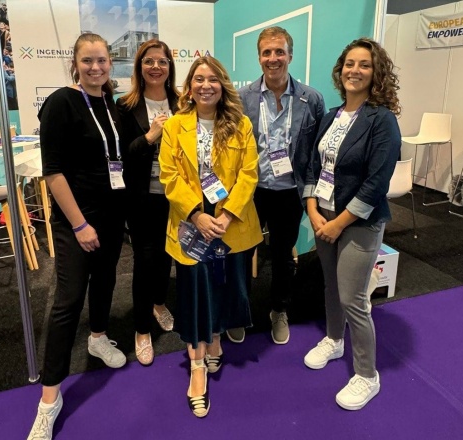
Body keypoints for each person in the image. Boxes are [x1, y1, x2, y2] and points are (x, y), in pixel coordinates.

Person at [27, 33, 127, 440]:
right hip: (76, 222)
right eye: (87, 61)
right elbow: (53, 172)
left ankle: (99, 338)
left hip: (112, 216)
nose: (95, 67)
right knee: (67, 302)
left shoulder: (111, 104)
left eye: (101, 60)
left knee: (105, 282)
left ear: (110, 63)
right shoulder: (61, 103)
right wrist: (80, 225)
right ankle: (49, 399)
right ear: (75, 63)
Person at [159, 56, 262, 417]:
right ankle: (197, 366)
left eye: (213, 79)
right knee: (194, 295)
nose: (206, 86)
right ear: (189, 87)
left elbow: (249, 173)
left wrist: (227, 214)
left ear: (223, 86)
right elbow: (169, 176)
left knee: (223, 287)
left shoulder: (240, 124)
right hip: (191, 226)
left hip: (231, 224)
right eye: (199, 79)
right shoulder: (174, 126)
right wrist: (198, 215)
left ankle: (216, 339)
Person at [302, 37, 401, 411]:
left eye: (364, 65)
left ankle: (366, 375)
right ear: (340, 70)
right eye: (349, 63)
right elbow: (314, 166)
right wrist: (312, 210)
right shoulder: (331, 116)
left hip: (358, 223)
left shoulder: (382, 120)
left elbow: (376, 183)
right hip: (324, 216)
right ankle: (334, 340)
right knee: (331, 286)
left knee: (354, 299)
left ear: (376, 73)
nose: (354, 70)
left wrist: (338, 223)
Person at [232, 26, 325, 345]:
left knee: (284, 255)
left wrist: (312, 194)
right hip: (251, 192)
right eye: (267, 52)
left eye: (279, 51)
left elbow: (315, 153)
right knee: (242, 253)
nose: (273, 58)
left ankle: (279, 310)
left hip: (289, 192)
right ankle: (238, 311)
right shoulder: (242, 98)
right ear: (259, 57)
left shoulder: (311, 99)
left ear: (290, 55)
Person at [116, 39, 179, 366]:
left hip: (176, 198)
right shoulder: (125, 105)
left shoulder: (183, 102)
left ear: (170, 67)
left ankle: (159, 302)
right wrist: (151, 136)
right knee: (144, 261)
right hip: (142, 199)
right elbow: (123, 155)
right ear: (139, 67)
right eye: (149, 61)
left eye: (162, 61)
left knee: (167, 256)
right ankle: (141, 329)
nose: (156, 67)